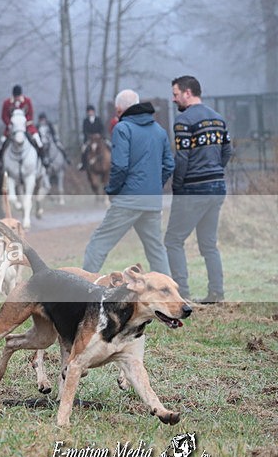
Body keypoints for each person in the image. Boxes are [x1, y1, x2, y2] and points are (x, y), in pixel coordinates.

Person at [82, 89, 174, 275]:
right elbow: (169, 165)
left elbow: (120, 166)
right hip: (152, 201)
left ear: (118, 109)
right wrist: (155, 186)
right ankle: (170, 296)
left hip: (129, 199)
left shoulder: (122, 129)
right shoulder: (159, 130)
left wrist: (113, 190)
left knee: (98, 243)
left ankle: (81, 290)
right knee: (156, 251)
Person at [164, 76, 232, 304]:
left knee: (173, 240)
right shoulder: (219, 118)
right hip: (217, 187)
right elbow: (227, 151)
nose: (173, 99)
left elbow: (182, 157)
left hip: (193, 189)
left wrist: (178, 185)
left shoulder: (183, 121)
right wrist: (215, 171)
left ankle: (182, 294)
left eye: (175, 94)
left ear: (188, 92)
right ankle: (217, 293)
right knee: (209, 244)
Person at [1, 84, 44, 155]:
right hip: (12, 128)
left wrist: (24, 123)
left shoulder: (27, 101)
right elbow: (4, 116)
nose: (17, 98)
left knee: (37, 140)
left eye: (18, 96)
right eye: (15, 97)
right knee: (3, 141)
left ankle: (43, 159)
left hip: (27, 127)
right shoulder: (7, 103)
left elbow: (30, 114)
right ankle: (0, 161)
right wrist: (9, 124)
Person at [80, 105, 106, 171]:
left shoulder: (98, 119)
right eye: (89, 111)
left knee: (109, 145)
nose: (90, 113)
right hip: (89, 139)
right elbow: (84, 131)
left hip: (99, 138)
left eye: (91, 111)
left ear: (94, 112)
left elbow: (102, 128)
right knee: (83, 149)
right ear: (87, 112)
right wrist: (90, 136)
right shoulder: (85, 121)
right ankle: (83, 164)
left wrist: (100, 135)